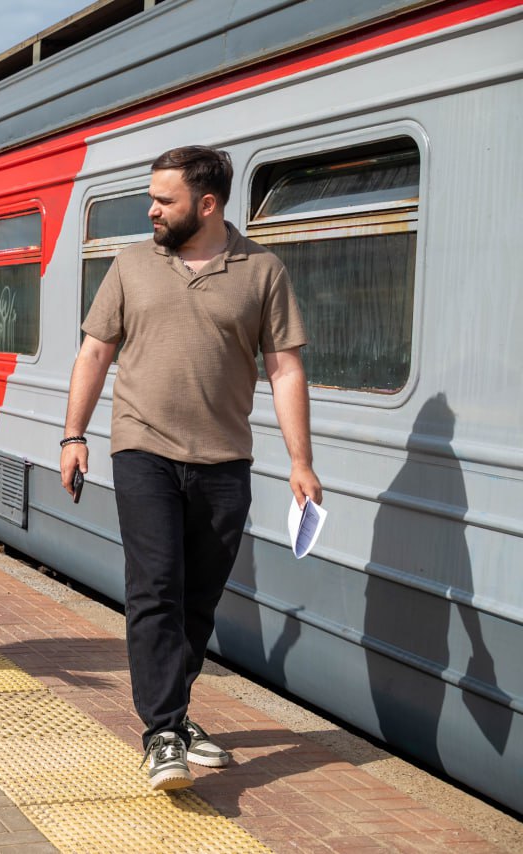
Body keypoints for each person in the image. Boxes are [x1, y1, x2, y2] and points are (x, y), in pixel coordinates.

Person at [60, 146, 322, 790]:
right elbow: (95, 352)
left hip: (225, 461)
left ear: (206, 205)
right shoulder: (131, 265)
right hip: (142, 449)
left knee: (198, 600)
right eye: (151, 197)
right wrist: (73, 436)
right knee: (155, 587)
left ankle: (173, 717)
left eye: (163, 200)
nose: (150, 209)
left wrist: (301, 461)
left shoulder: (262, 271)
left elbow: (286, 367)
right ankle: (162, 730)